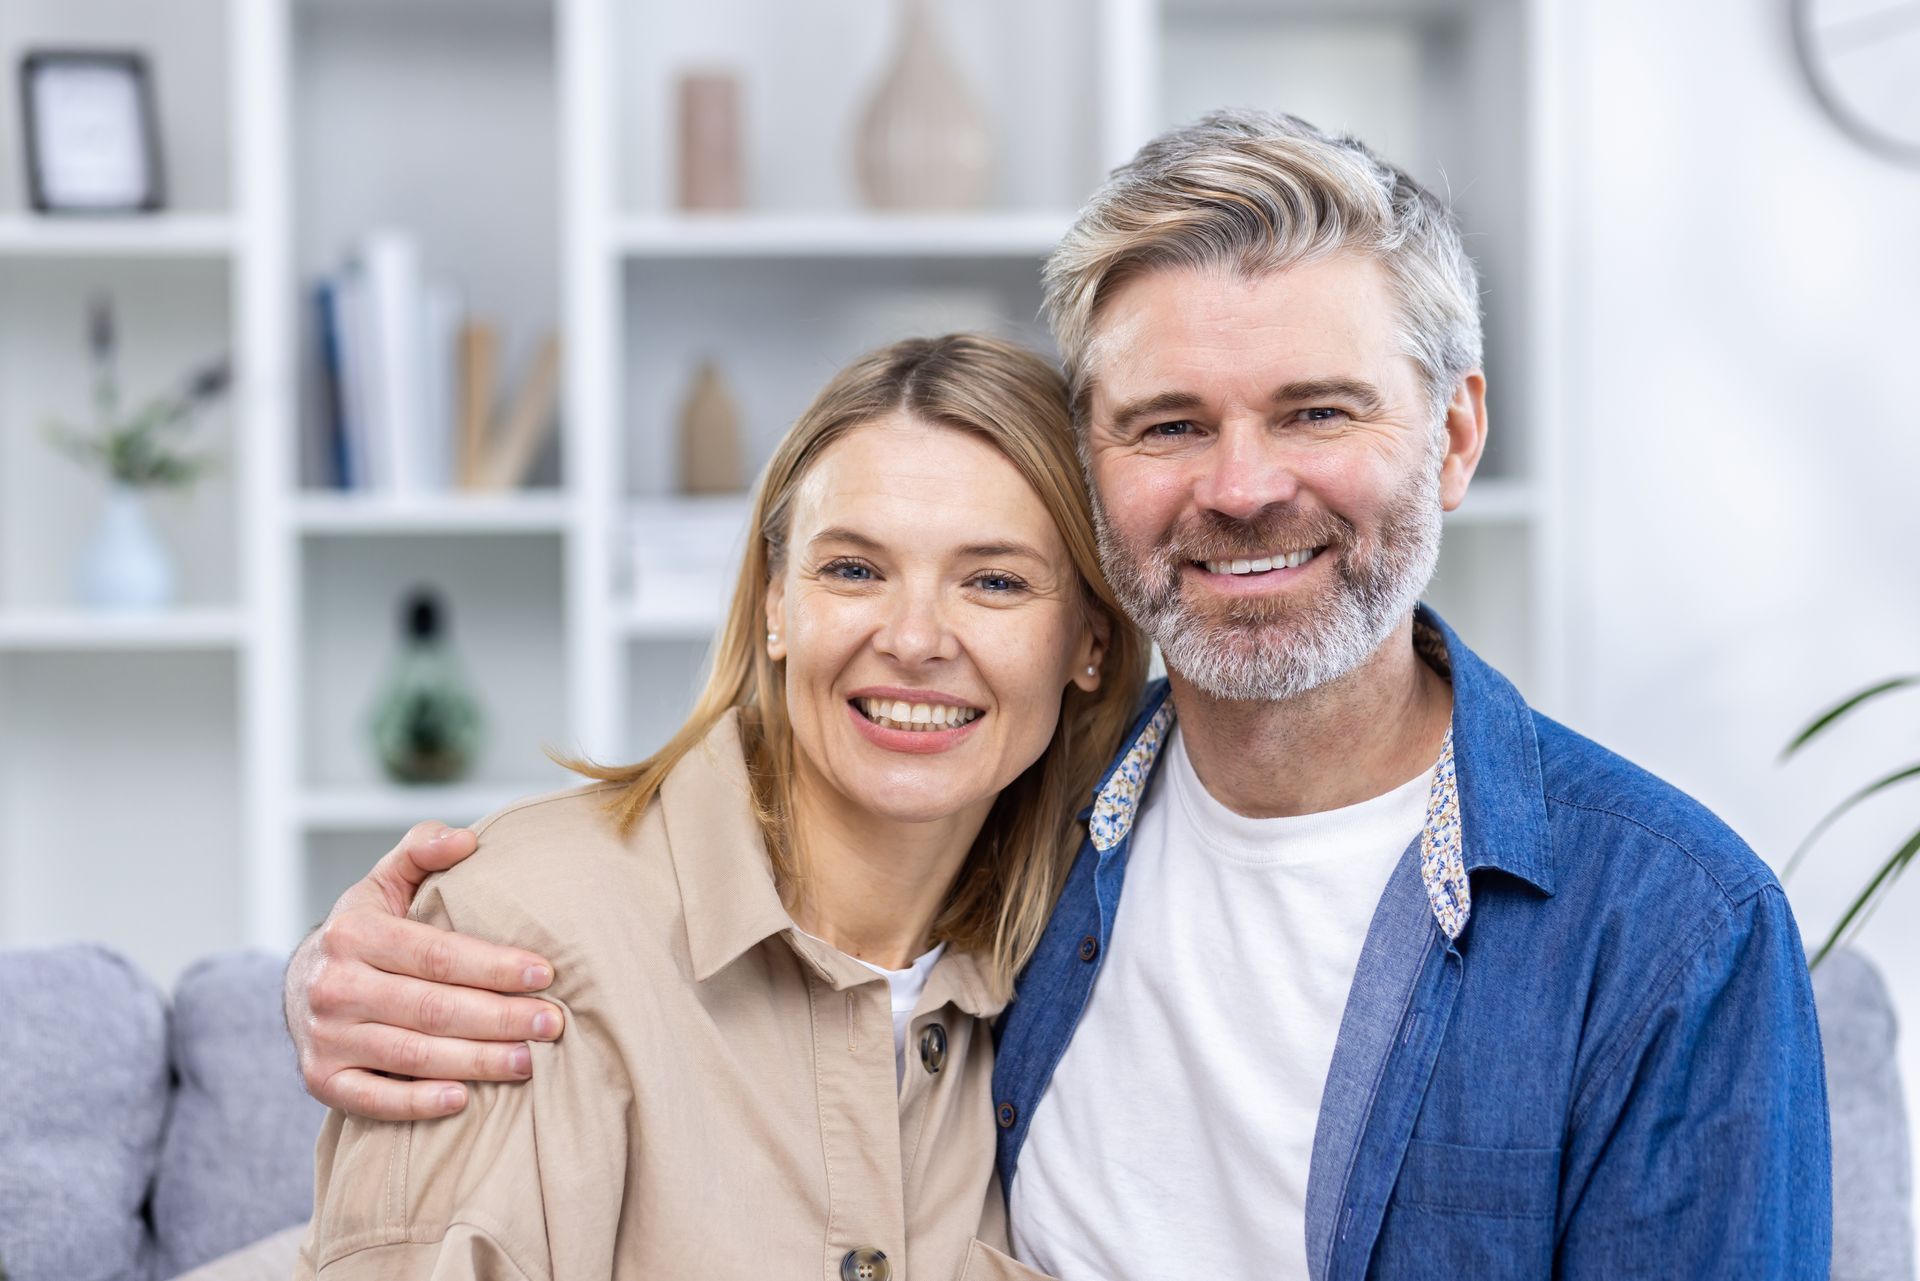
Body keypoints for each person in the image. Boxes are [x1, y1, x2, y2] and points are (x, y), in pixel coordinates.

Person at [287, 112, 1831, 1277]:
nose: (1241, 487)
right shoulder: (1029, 856)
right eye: (1169, 423)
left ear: (1452, 433)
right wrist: (396, 950)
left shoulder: (1671, 933)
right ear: (1100, 475)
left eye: (1317, 409)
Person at [295, 333, 1146, 1278]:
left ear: (1091, 644)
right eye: (855, 569)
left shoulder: (1075, 969)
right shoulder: (520, 941)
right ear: (776, 602)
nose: (913, 639)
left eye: (994, 580)